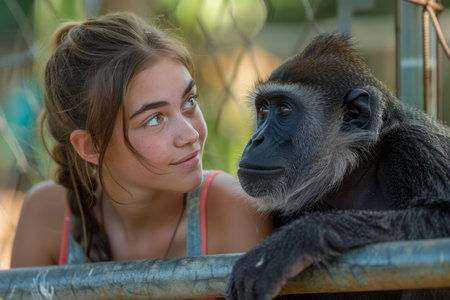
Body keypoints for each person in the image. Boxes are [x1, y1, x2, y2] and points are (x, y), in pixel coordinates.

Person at [10, 11, 271, 267]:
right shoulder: (46, 216)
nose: (191, 134)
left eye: (189, 101)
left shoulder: (231, 210)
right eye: (155, 119)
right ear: (90, 146)